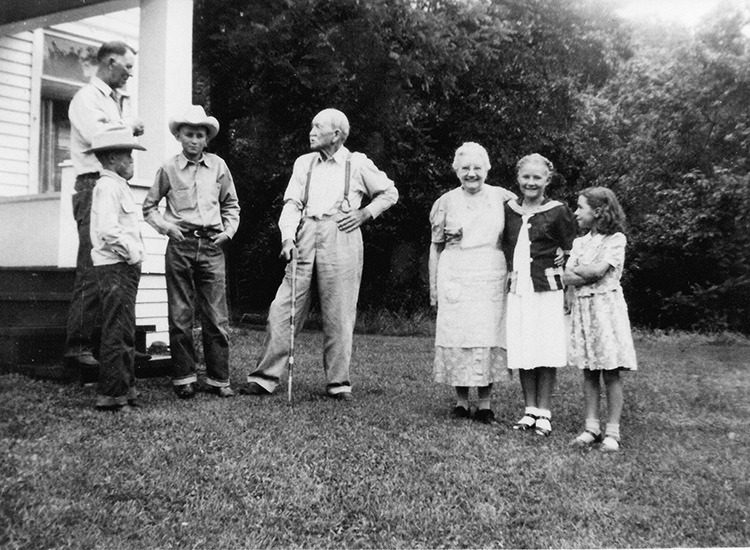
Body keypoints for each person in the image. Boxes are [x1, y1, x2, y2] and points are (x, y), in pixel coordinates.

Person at [243, 108, 398, 400]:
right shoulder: (304, 163)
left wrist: (364, 214)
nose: (311, 132)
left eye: (317, 126)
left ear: (336, 134)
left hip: (341, 233)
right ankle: (264, 378)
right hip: (305, 234)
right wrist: (287, 237)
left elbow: (390, 193)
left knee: (339, 311)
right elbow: (292, 204)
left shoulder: (358, 163)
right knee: (283, 308)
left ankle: (338, 383)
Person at [142, 105, 240, 399]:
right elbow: (149, 207)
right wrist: (166, 228)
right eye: (189, 134)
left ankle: (218, 379)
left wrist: (228, 232)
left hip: (211, 246)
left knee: (216, 317)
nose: (194, 140)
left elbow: (231, 205)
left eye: (199, 135)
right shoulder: (168, 168)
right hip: (180, 245)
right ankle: (184, 377)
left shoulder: (219, 167)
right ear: (179, 136)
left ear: (206, 139)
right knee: (181, 315)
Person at [66, 40, 144, 373]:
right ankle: (78, 347)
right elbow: (99, 138)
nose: (129, 74)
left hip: (114, 186)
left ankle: (115, 347)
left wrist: (125, 127)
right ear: (110, 62)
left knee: (117, 270)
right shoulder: (86, 99)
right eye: (127, 67)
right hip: (92, 186)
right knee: (92, 266)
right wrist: (129, 129)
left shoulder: (112, 102)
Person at [428, 142, 516, 423]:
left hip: (491, 273)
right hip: (455, 274)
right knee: (458, 336)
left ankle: (486, 403)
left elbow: (524, 233)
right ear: (456, 171)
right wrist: (433, 286)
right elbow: (435, 247)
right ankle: (461, 401)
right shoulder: (445, 202)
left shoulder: (503, 199)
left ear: (487, 169)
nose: (472, 173)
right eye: (465, 168)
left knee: (487, 336)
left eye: (477, 167)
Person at [501, 153, 577, 436]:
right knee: (523, 349)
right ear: (518, 179)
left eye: (537, 177)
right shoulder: (509, 209)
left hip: (547, 289)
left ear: (547, 180)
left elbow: (573, 250)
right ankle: (529, 410)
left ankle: (544, 412)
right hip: (519, 290)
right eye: (525, 177)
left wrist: (569, 284)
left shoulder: (558, 211)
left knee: (545, 348)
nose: (530, 182)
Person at [564, 187, 637, 452]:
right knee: (589, 370)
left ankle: (612, 432)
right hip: (585, 310)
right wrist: (581, 274)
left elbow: (597, 271)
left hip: (606, 310)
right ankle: (591, 427)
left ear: (598, 211)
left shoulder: (616, 240)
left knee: (610, 370)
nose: (576, 212)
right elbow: (566, 276)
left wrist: (580, 272)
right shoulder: (579, 243)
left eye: (580, 207)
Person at [87, 126, 146, 410]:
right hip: (116, 267)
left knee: (125, 329)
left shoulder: (117, 185)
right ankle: (112, 394)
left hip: (123, 267)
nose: (132, 159)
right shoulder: (107, 187)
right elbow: (109, 231)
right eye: (127, 154)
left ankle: (126, 388)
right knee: (116, 330)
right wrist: (133, 254)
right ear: (111, 158)